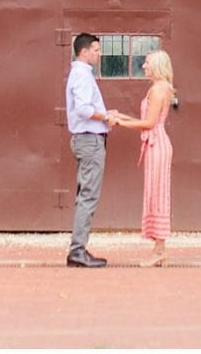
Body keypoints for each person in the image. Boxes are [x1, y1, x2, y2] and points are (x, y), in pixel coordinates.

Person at [112, 48, 176, 267]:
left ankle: (159, 250)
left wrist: (121, 123)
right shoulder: (160, 88)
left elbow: (149, 124)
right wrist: (123, 117)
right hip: (155, 143)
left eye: (147, 63)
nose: (143, 66)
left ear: (157, 66)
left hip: (156, 144)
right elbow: (149, 120)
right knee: (155, 193)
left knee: (157, 195)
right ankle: (160, 249)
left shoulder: (158, 90)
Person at [63, 32, 123, 268]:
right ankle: (77, 250)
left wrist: (106, 116)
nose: (100, 54)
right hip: (90, 141)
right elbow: (84, 109)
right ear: (84, 51)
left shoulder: (81, 74)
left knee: (85, 195)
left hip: (87, 139)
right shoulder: (81, 75)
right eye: (97, 50)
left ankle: (78, 249)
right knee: (88, 195)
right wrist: (106, 116)